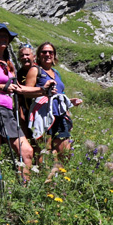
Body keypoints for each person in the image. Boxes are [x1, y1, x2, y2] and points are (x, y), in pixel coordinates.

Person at [0, 23, 34, 186]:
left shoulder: (9, 63)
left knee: (27, 151)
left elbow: (17, 88)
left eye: (6, 36)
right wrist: (3, 87)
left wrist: (42, 90)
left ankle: (23, 189)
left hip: (8, 111)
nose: (3, 38)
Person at [29, 42, 84, 172]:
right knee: (44, 149)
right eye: (44, 52)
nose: (47, 54)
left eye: (50, 52)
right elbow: (27, 92)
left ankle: (57, 176)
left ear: (54, 56)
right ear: (38, 55)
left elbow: (59, 94)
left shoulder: (56, 72)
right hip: (44, 116)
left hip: (60, 115)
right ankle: (44, 179)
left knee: (64, 150)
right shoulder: (35, 70)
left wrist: (70, 102)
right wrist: (43, 90)